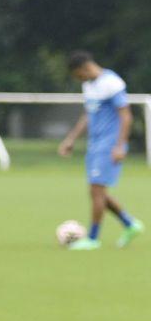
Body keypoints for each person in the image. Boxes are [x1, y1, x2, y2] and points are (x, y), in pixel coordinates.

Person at [58, 51, 143, 250]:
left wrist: (120, 145)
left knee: (96, 190)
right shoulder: (88, 85)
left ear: (84, 68)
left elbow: (126, 116)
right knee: (98, 192)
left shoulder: (112, 83)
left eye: (78, 75)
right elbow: (88, 115)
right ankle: (130, 224)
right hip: (95, 145)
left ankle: (93, 239)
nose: (79, 79)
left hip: (110, 144)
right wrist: (71, 139)